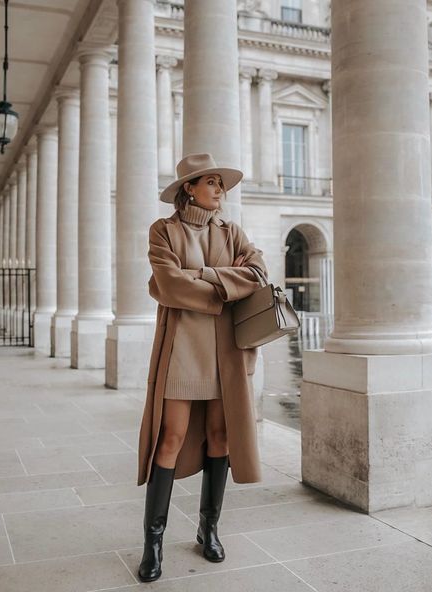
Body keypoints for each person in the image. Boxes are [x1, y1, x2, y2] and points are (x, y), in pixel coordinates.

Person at [137, 153, 267, 582]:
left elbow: (259, 273)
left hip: (226, 350)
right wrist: (223, 286)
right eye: (211, 182)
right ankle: (152, 543)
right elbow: (167, 284)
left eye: (221, 183)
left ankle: (208, 529)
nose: (220, 190)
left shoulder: (232, 231)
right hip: (182, 348)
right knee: (169, 436)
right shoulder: (164, 230)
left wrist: (203, 275)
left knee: (220, 436)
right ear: (188, 188)